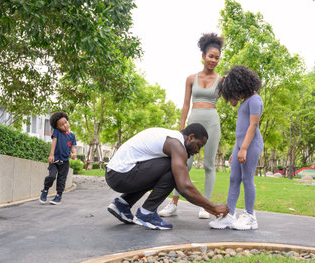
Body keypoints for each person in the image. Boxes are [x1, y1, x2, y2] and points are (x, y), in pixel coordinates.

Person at [105, 123, 230, 230]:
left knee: (169, 167)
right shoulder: (176, 144)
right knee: (173, 169)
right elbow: (184, 187)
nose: (198, 151)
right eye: (199, 145)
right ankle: (146, 213)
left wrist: (208, 207)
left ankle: (122, 204)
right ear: (191, 137)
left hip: (115, 173)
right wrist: (213, 207)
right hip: (121, 175)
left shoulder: (171, 138)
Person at [158, 33, 224, 219]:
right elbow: (186, 104)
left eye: (217, 58)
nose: (214, 60)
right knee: (184, 163)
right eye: (211, 56)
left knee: (209, 165)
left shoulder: (220, 81)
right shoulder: (190, 79)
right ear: (203, 56)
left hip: (212, 121)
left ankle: (206, 206)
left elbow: (233, 99)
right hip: (193, 122)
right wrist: (181, 128)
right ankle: (174, 203)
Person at [209, 65, 264, 230]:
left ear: (241, 86)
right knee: (234, 179)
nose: (233, 98)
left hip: (251, 145)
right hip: (241, 146)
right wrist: (236, 149)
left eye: (233, 93)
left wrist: (244, 148)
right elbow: (240, 130)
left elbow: (252, 126)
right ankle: (230, 215)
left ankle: (250, 216)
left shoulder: (255, 100)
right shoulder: (244, 102)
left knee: (247, 179)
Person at [39, 112, 77, 205]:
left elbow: (73, 148)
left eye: (66, 122)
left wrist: (74, 154)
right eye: (61, 124)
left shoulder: (72, 136)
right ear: (57, 127)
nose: (65, 125)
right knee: (51, 176)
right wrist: (51, 155)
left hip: (65, 162)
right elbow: (54, 142)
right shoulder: (57, 132)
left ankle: (58, 196)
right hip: (55, 160)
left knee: (61, 179)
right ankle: (45, 190)